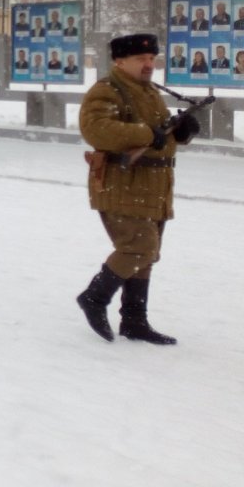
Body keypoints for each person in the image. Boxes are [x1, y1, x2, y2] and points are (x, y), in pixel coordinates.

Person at [75, 33, 199, 344]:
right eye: (140, 59)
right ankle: (94, 297)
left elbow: (160, 135)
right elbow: (97, 129)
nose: (149, 64)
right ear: (120, 61)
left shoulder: (148, 91)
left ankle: (134, 319)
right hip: (122, 182)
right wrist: (145, 133)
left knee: (148, 253)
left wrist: (181, 133)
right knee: (139, 247)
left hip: (153, 184)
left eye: (151, 59)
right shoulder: (107, 90)